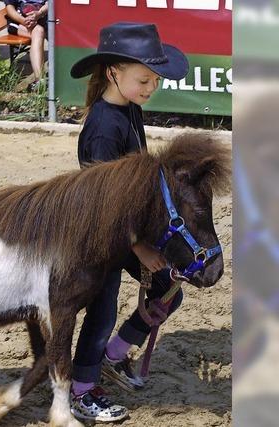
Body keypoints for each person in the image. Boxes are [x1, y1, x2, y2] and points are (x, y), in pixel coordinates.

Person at [68, 22, 190, 422]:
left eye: (155, 80)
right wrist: (138, 247)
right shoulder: (103, 128)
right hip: (99, 237)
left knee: (169, 288)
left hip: (126, 231)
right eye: (144, 79)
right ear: (113, 73)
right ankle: (82, 390)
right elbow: (101, 204)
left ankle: (114, 355)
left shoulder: (130, 110)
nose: (151, 87)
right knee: (101, 311)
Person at [4, 0, 48, 90]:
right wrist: (24, 21)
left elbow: (50, 4)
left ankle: (42, 81)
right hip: (19, 23)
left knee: (56, 31)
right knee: (39, 32)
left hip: (41, 20)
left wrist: (39, 13)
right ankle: (40, 80)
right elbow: (10, 9)